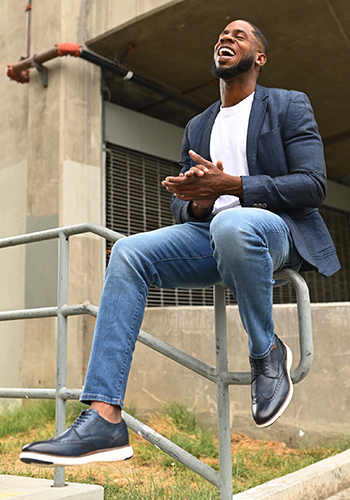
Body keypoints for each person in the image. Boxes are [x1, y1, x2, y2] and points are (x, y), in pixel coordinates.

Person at [20, 19, 340, 467]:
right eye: (222, 35)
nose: (226, 38)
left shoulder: (288, 105)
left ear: (259, 58)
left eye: (239, 35)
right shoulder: (198, 125)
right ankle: (104, 417)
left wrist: (234, 185)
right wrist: (196, 201)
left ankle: (266, 351)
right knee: (129, 252)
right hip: (212, 235)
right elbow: (182, 210)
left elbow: (312, 186)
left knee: (234, 228)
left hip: (274, 230)